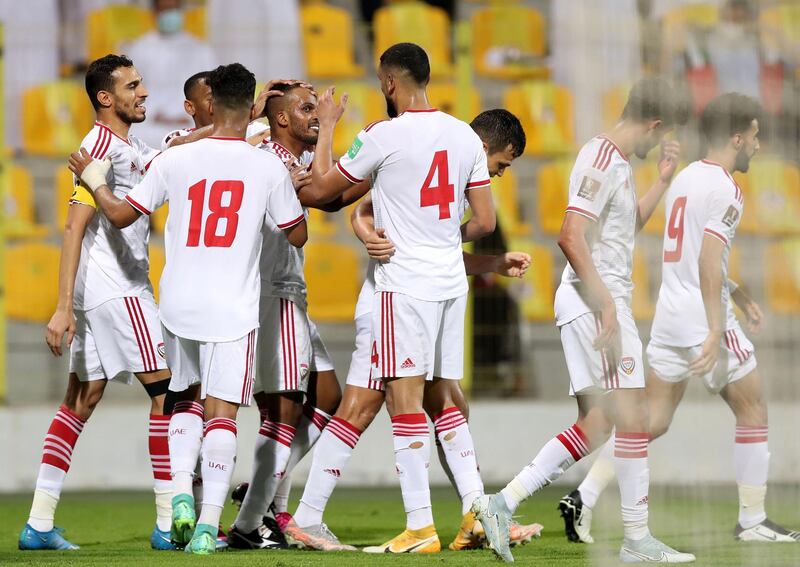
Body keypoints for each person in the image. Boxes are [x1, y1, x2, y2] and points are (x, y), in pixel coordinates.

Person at [67, 62, 308, 555]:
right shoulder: (265, 165)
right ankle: (206, 526)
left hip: (178, 303)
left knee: (182, 399)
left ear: (210, 103)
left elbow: (117, 215)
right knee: (221, 413)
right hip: (233, 307)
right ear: (252, 105)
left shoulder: (174, 161)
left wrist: (95, 178)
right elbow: (297, 234)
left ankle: (180, 495)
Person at [284, 109, 542, 552]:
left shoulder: (454, 180)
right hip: (390, 299)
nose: (499, 174)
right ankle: (439, 522)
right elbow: (359, 207)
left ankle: (310, 517)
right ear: (483, 149)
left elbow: (435, 249)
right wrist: (365, 231)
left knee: (367, 406)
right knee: (425, 402)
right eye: (503, 163)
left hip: (409, 297)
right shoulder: (429, 158)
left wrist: (494, 263)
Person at [559, 92, 800, 545]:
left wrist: (740, 293)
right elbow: (708, 261)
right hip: (704, 318)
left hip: (669, 315)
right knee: (754, 409)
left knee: (651, 420)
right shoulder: (728, 189)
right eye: (754, 136)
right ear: (736, 137)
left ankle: (585, 496)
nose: (758, 145)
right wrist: (715, 328)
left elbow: (692, 258)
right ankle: (752, 519)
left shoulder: (687, 178)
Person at [473, 78, 696, 563]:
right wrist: (606, 303)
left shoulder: (615, 162)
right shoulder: (600, 157)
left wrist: (661, 178)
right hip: (597, 303)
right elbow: (570, 235)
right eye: (659, 136)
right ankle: (637, 539)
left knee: (597, 424)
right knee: (634, 419)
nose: (656, 144)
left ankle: (500, 503)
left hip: (598, 301)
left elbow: (620, 228)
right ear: (654, 124)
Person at [300, 42, 496, 554]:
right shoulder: (465, 137)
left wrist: (324, 126)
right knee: (415, 397)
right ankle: (474, 513)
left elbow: (321, 189)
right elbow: (486, 221)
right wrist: (436, 238)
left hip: (400, 288)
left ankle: (420, 526)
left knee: (404, 401)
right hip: (450, 286)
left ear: (389, 82)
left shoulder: (382, 135)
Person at [18, 54, 174, 552]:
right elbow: (73, 227)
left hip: (109, 290)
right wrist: (62, 307)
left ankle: (39, 523)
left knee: (81, 400)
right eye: (133, 85)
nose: (144, 91)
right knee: (169, 394)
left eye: (142, 82)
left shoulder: (128, 144)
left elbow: (179, 152)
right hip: (119, 291)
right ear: (106, 98)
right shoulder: (97, 147)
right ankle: (170, 522)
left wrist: (250, 113)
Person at [227, 82, 363, 550]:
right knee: (282, 408)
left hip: (288, 294)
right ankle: (251, 523)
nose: (314, 113)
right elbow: (327, 194)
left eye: (316, 109)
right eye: (305, 108)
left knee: (326, 396)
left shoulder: (281, 157)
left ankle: (263, 494)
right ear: (281, 119)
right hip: (273, 293)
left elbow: (329, 191)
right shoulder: (271, 160)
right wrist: (331, 128)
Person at [124, 0, 217, 148]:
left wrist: (189, 114)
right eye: (165, 9)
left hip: (191, 121)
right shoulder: (140, 49)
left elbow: (212, 92)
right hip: (151, 123)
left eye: (173, 9)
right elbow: (129, 91)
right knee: (131, 137)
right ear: (154, 12)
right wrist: (155, 114)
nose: (170, 14)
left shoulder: (200, 50)